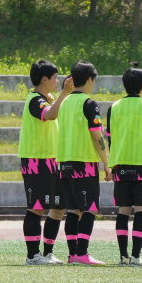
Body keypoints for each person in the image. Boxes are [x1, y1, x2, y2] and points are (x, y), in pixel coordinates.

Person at [44, 60, 111, 265]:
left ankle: (73, 254)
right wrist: (107, 163)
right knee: (89, 208)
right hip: (84, 162)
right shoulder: (88, 103)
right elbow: (96, 135)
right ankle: (82, 253)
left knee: (73, 210)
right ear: (90, 79)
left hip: (64, 162)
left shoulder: (64, 102)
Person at [106, 64, 142, 266]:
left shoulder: (114, 107)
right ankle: (136, 256)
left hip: (120, 165)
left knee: (123, 210)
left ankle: (122, 256)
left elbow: (110, 138)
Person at [19, 60, 63, 264]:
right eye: (55, 77)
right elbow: (50, 115)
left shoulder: (45, 98)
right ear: (44, 79)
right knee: (36, 208)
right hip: (37, 160)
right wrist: (65, 94)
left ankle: (48, 252)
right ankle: (32, 255)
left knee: (57, 207)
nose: (58, 81)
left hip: (51, 159)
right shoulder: (35, 100)